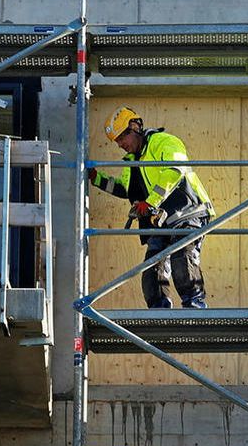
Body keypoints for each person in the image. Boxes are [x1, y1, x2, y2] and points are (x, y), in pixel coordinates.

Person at [88, 106, 214, 308]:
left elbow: (174, 170)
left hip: (187, 212)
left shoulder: (163, 142)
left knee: (182, 257)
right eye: (117, 141)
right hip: (160, 220)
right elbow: (124, 189)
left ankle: (195, 306)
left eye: (122, 138)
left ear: (135, 127)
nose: (120, 144)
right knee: (152, 269)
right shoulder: (132, 161)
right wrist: (96, 179)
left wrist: (150, 202)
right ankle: (159, 311)